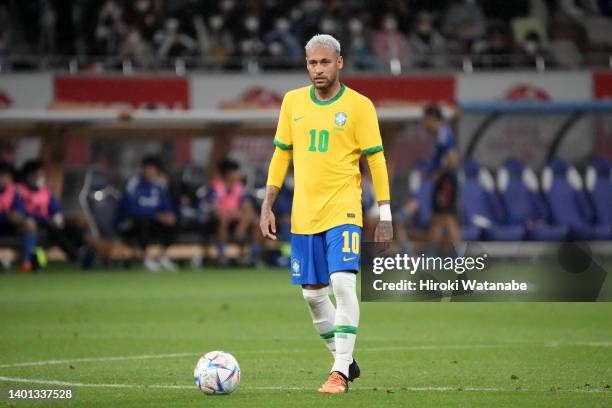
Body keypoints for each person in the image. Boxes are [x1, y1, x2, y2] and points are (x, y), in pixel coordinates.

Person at [260, 34, 393, 394]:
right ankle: (345, 358)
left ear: (339, 63)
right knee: (312, 295)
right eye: (311, 63)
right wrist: (268, 203)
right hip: (304, 214)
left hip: (343, 209)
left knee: (343, 283)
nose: (317, 69)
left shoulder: (359, 106)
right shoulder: (291, 103)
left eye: (324, 62)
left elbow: (376, 159)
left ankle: (338, 373)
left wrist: (386, 212)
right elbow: (281, 154)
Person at [18, 160, 93, 269]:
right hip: (33, 223)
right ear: (30, 176)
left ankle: (84, 249)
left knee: (73, 227)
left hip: (49, 221)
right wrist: (44, 219)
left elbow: (54, 207)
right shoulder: (20, 190)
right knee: (54, 230)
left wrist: (57, 216)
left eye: (42, 175)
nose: (42, 178)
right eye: (39, 175)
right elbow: (22, 211)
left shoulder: (45, 190)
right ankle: (76, 256)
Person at [115, 156, 178, 272]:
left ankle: (162, 257)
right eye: (147, 168)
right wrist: (156, 215)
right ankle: (146, 258)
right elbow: (131, 208)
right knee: (144, 221)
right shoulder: (133, 184)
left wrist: (169, 215)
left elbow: (166, 205)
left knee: (173, 222)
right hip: (129, 221)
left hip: (153, 220)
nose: (148, 171)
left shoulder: (158, 186)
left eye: (152, 169)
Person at [205, 158, 261, 266]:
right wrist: (234, 214)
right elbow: (215, 208)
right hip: (216, 220)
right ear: (227, 173)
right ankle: (222, 255)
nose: (238, 174)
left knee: (255, 220)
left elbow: (247, 207)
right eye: (235, 171)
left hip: (236, 219)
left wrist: (242, 225)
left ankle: (254, 256)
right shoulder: (215, 187)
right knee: (223, 217)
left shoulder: (239, 187)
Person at [422, 105, 461, 253]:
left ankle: (459, 257)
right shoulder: (439, 136)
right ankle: (431, 255)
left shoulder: (444, 135)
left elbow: (453, 160)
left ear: (432, 119)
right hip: (442, 182)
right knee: (437, 218)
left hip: (446, 183)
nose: (424, 124)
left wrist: (439, 173)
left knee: (448, 218)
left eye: (425, 120)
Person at [0, 161, 37, 271]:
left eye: (8, 177)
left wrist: (18, 215)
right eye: (4, 176)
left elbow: (21, 209)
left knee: (30, 223)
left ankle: (26, 261)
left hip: (9, 224)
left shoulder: (13, 190)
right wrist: (5, 216)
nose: (7, 179)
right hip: (3, 219)